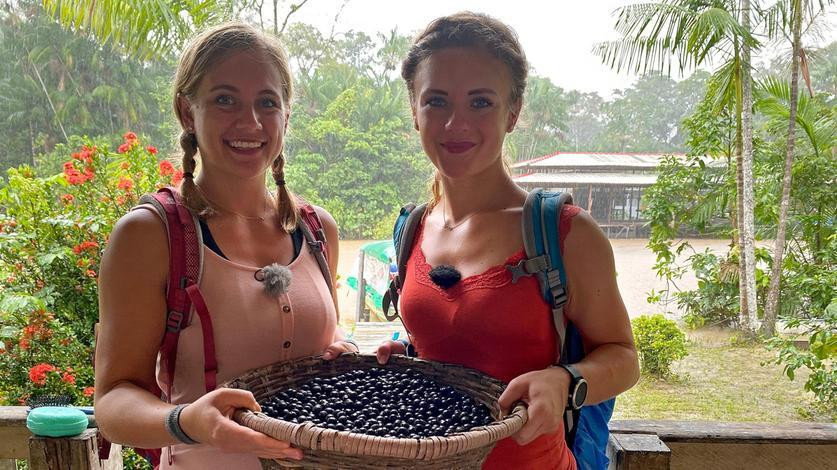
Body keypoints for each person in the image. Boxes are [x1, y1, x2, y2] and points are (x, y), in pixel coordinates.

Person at [375, 12, 640, 470]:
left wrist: (565, 381)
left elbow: (624, 359)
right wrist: (410, 356)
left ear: (512, 112)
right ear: (414, 112)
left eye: (480, 102)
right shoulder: (412, 228)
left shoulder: (565, 234)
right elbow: (447, 344)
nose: (455, 123)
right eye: (436, 101)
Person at [94, 22, 357, 469]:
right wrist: (188, 421)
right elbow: (113, 401)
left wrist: (341, 349)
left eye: (267, 102)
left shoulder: (316, 230)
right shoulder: (152, 235)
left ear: (287, 115)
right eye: (224, 99)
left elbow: (318, 342)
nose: (249, 122)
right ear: (187, 112)